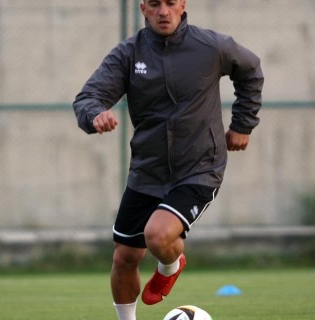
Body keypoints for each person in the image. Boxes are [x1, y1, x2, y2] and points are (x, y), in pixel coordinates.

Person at [73, 0, 263, 319]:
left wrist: (243, 124)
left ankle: (170, 265)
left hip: (200, 167)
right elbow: (87, 98)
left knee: (157, 234)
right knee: (124, 257)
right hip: (147, 171)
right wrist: (95, 115)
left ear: (183, 4)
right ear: (142, 8)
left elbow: (251, 69)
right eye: (155, 3)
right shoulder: (128, 54)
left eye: (171, 2)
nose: (164, 11)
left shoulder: (211, 46)